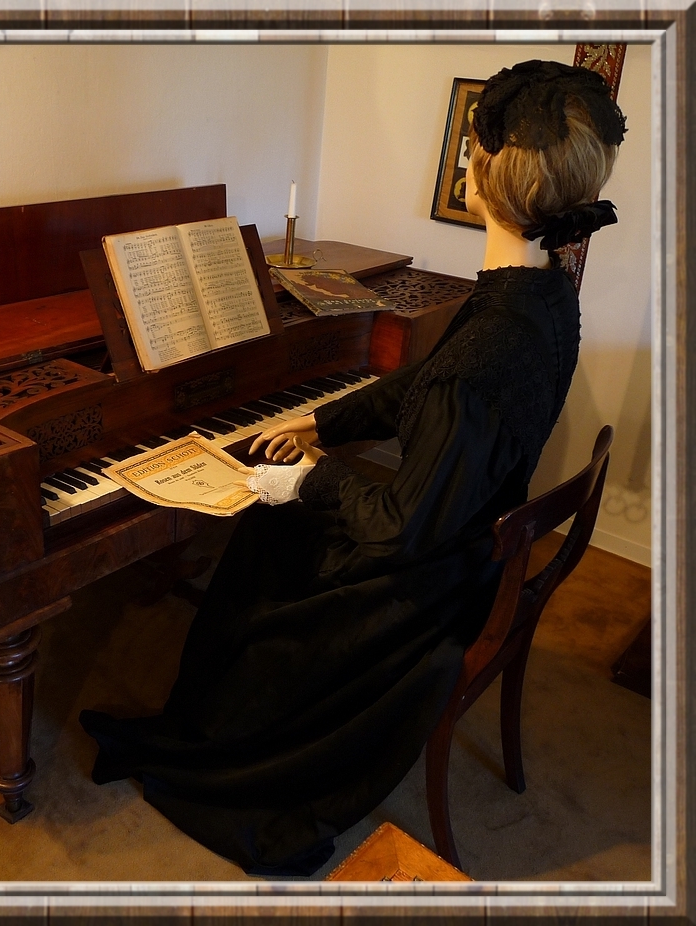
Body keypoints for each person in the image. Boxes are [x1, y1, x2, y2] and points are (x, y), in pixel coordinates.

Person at [79, 59, 627, 877]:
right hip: (466, 538)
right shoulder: (538, 293)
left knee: (265, 544)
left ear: (479, 177)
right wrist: (320, 421)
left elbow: (400, 525)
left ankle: (218, 742)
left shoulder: (490, 346)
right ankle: (205, 705)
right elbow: (424, 381)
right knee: (271, 533)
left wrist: (308, 478)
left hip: (423, 586)